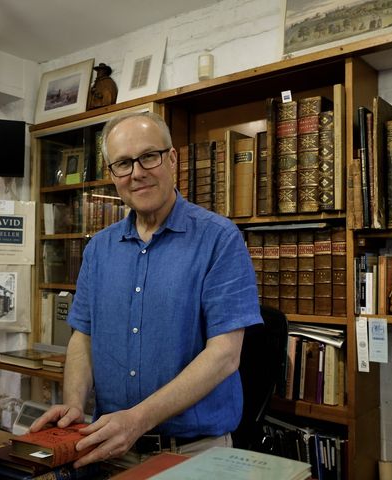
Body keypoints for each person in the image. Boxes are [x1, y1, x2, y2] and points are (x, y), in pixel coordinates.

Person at [31, 111, 261, 468]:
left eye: (148, 157)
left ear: (171, 159)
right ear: (112, 176)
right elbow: (84, 336)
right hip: (107, 447)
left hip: (193, 454)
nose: (137, 173)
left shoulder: (220, 240)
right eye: (123, 163)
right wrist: (75, 405)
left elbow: (225, 356)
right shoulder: (99, 249)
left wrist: (138, 419)